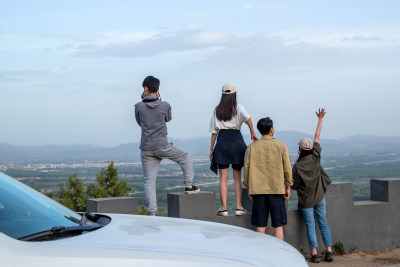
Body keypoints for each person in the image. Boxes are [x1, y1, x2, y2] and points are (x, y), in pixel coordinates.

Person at [134, 76, 200, 216]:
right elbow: (168, 119)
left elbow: (140, 122)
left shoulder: (138, 106)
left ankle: (152, 213)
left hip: (146, 148)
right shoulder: (165, 105)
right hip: (162, 145)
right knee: (185, 157)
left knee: (149, 181)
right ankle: (189, 186)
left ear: (145, 88)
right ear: (157, 89)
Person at [209, 83, 258, 216]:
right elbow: (248, 118)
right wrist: (252, 132)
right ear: (234, 94)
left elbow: (214, 132)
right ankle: (238, 207)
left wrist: (211, 149)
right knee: (237, 177)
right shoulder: (238, 107)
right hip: (237, 141)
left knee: (223, 178)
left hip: (222, 142)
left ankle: (223, 208)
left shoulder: (217, 109)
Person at [292, 108, 333, 263]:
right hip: (320, 197)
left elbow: (294, 185)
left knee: (310, 225)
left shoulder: (297, 166)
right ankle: (329, 251)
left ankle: (314, 254)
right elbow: (317, 136)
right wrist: (320, 119)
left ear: (300, 149)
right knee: (323, 223)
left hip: (306, 200)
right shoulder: (316, 156)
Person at [243, 117, 292, 240]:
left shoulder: (251, 148)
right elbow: (287, 168)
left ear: (260, 131)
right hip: (277, 189)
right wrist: (288, 186)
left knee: (260, 225)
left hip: (258, 191)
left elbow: (247, 170)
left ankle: (262, 256)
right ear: (272, 130)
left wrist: (249, 188)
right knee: (278, 226)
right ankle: (278, 255)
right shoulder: (281, 146)